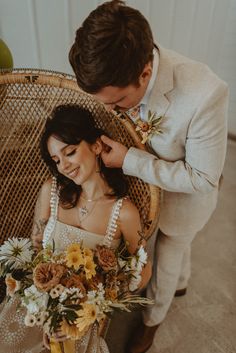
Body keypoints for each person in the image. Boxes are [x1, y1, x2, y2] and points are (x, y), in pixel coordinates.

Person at [69, 1, 229, 353]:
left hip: (183, 199)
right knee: (169, 253)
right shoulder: (116, 71)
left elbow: (203, 178)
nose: (110, 110)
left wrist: (131, 160)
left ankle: (152, 323)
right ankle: (183, 281)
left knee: (169, 254)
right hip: (136, 190)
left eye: (119, 102)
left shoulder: (206, 94)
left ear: (145, 73)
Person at [0, 104, 151, 353]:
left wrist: (95, 309)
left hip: (78, 319)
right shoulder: (52, 191)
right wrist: (43, 308)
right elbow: (36, 249)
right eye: (56, 160)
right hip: (32, 308)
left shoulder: (124, 212)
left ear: (96, 145)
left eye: (69, 152)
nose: (63, 166)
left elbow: (142, 270)